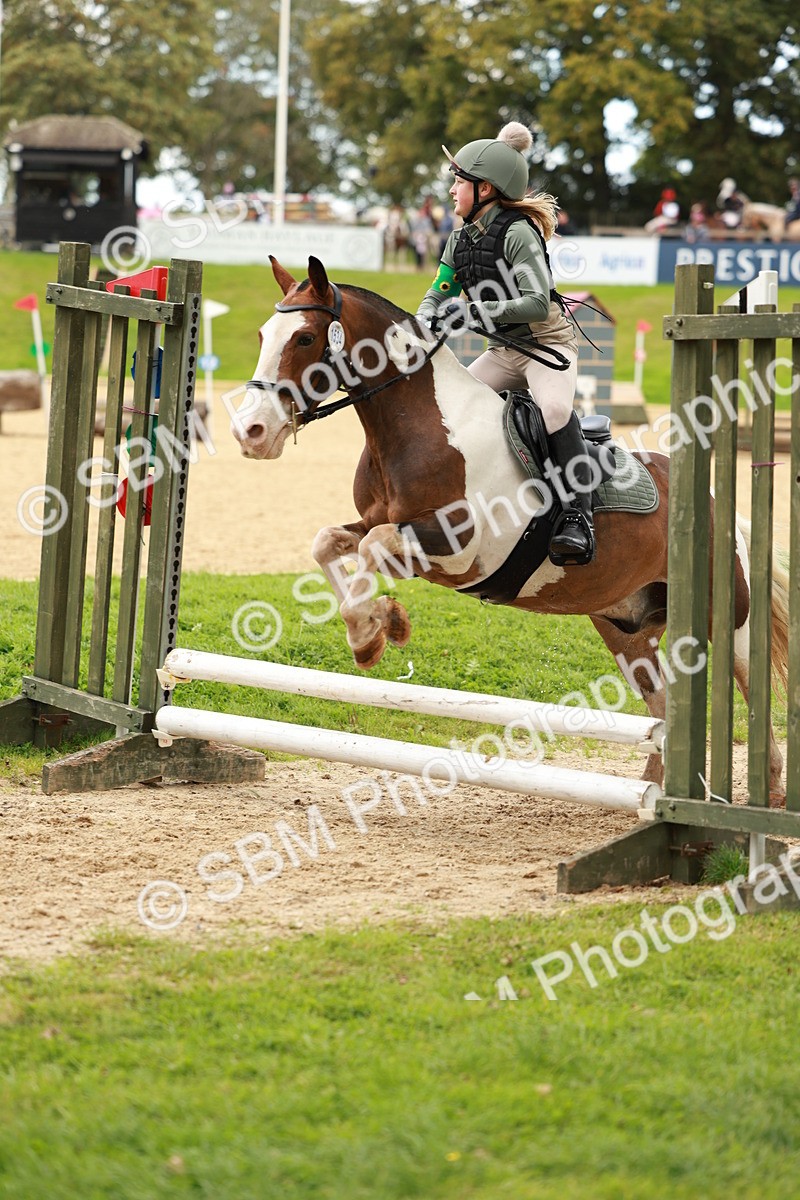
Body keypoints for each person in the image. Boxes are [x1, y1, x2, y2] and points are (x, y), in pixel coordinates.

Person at [415, 122, 593, 566]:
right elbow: (438, 292)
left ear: (486, 189)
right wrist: (419, 324)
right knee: (454, 408)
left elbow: (535, 303)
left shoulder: (518, 233)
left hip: (547, 346)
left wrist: (471, 314)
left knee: (553, 410)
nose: (452, 189)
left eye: (460, 181)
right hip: (503, 353)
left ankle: (578, 516)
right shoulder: (459, 239)